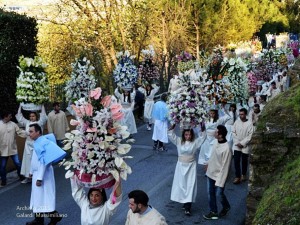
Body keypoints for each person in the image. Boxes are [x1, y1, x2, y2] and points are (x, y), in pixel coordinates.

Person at [26, 123, 66, 225]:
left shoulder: (43, 143)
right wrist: (31, 172)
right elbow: (34, 160)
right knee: (38, 198)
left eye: (31, 131)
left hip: (44, 175)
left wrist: (39, 178)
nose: (29, 133)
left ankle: (55, 217)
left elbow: (44, 162)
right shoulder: (38, 142)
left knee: (44, 198)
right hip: (37, 174)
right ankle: (38, 220)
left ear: (38, 132)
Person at [168, 123, 205, 216]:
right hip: (180, 166)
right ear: (183, 135)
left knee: (190, 185)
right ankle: (184, 201)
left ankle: (188, 206)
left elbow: (202, 138)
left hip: (191, 166)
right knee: (181, 185)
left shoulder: (195, 143)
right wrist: (171, 127)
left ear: (192, 135)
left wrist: (202, 127)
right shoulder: (179, 141)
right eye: (186, 135)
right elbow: (171, 135)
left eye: (189, 135)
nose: (188, 136)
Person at [203, 125, 231, 220]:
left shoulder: (227, 148)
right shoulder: (215, 142)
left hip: (219, 176)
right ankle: (213, 212)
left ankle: (226, 206)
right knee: (210, 193)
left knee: (219, 194)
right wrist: (207, 164)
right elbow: (212, 155)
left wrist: (220, 182)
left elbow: (225, 167)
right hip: (210, 172)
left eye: (216, 132)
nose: (214, 133)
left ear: (220, 135)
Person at [16, 105, 48, 184]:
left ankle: (38, 176)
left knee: (37, 161)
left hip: (37, 145)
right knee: (27, 162)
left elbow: (43, 116)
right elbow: (19, 117)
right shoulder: (27, 123)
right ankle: (28, 177)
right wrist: (20, 106)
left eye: (33, 116)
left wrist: (42, 106)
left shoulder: (39, 123)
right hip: (28, 145)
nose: (31, 117)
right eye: (30, 116)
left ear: (36, 116)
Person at [0, 111, 26, 187]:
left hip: (13, 149)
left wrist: (29, 134)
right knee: (2, 167)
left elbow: (20, 132)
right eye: (9, 116)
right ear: (5, 117)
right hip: (2, 151)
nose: (11, 117)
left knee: (18, 164)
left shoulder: (13, 124)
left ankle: (21, 177)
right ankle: (3, 181)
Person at [232, 108, 254, 184]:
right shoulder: (236, 122)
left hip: (245, 145)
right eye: (240, 114)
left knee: (244, 161)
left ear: (245, 114)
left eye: (242, 114)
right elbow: (233, 132)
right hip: (237, 144)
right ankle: (237, 176)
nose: (241, 116)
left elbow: (250, 135)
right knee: (236, 161)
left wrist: (242, 143)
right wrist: (237, 142)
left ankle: (243, 174)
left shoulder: (249, 123)